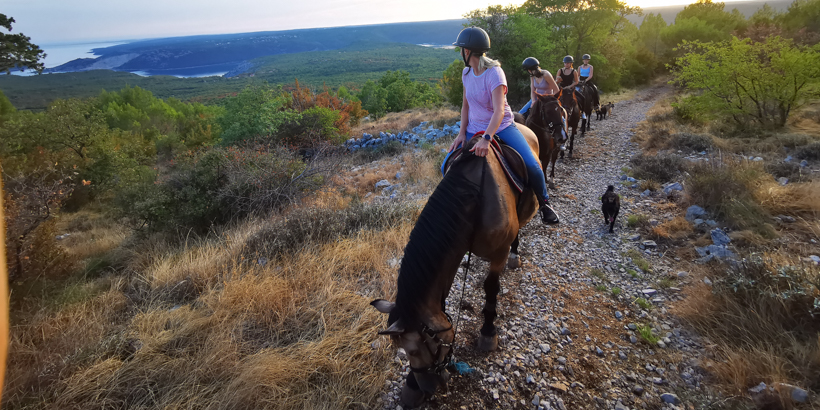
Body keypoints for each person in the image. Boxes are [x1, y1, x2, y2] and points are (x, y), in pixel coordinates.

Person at [444, 27, 559, 225]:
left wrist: (486, 138)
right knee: (446, 164)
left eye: (461, 49)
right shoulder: (466, 73)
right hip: (473, 127)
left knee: (532, 164)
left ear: (468, 51)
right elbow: (465, 106)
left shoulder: (495, 74)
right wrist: (461, 134)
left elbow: (498, 111)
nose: (461, 52)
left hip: (502, 126)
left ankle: (544, 203)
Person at [520, 56, 568, 151]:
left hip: (549, 99)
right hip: (538, 99)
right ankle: (523, 137)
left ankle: (563, 139)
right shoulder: (532, 76)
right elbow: (533, 90)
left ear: (530, 69)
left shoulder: (546, 74)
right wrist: (533, 101)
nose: (528, 72)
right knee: (520, 113)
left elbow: (556, 89)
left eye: (528, 70)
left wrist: (549, 100)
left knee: (561, 118)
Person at [555, 55, 587, 121]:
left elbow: (576, 81)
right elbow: (556, 80)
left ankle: (582, 112)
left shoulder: (574, 71)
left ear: (571, 63)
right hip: (561, 88)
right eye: (565, 63)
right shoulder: (560, 70)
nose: (566, 64)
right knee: (552, 98)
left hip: (570, 89)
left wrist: (569, 86)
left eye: (568, 63)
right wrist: (558, 81)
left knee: (582, 97)